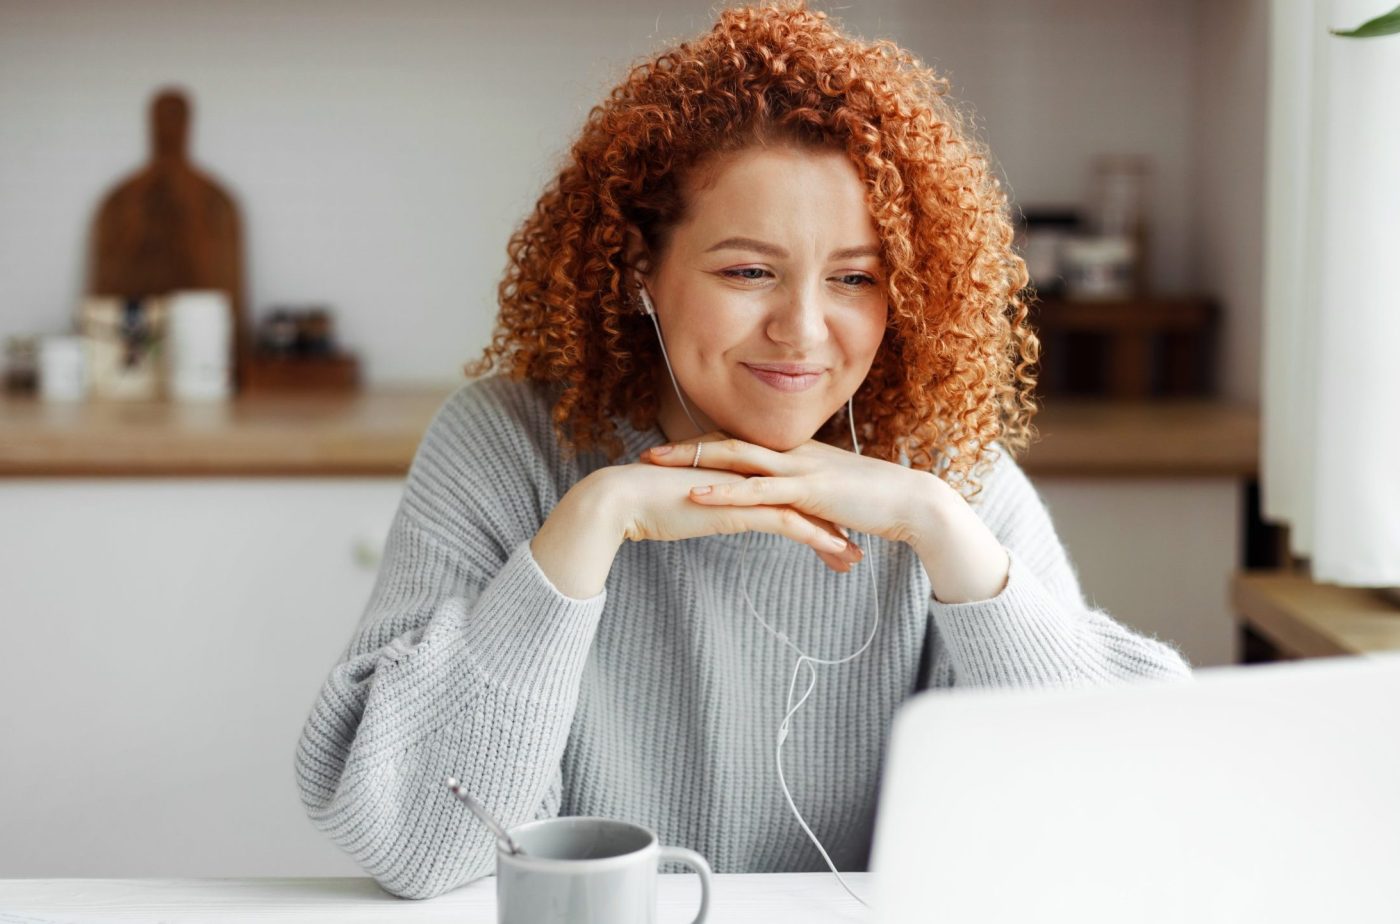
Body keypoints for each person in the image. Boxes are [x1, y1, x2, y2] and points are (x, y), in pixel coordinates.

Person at [294, 0, 1193, 902]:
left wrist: (939, 528)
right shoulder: (505, 445)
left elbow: (1125, 816)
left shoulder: (940, 468)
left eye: (853, 278)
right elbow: (418, 848)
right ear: (641, 269)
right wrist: (588, 526)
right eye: (748, 272)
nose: (802, 331)